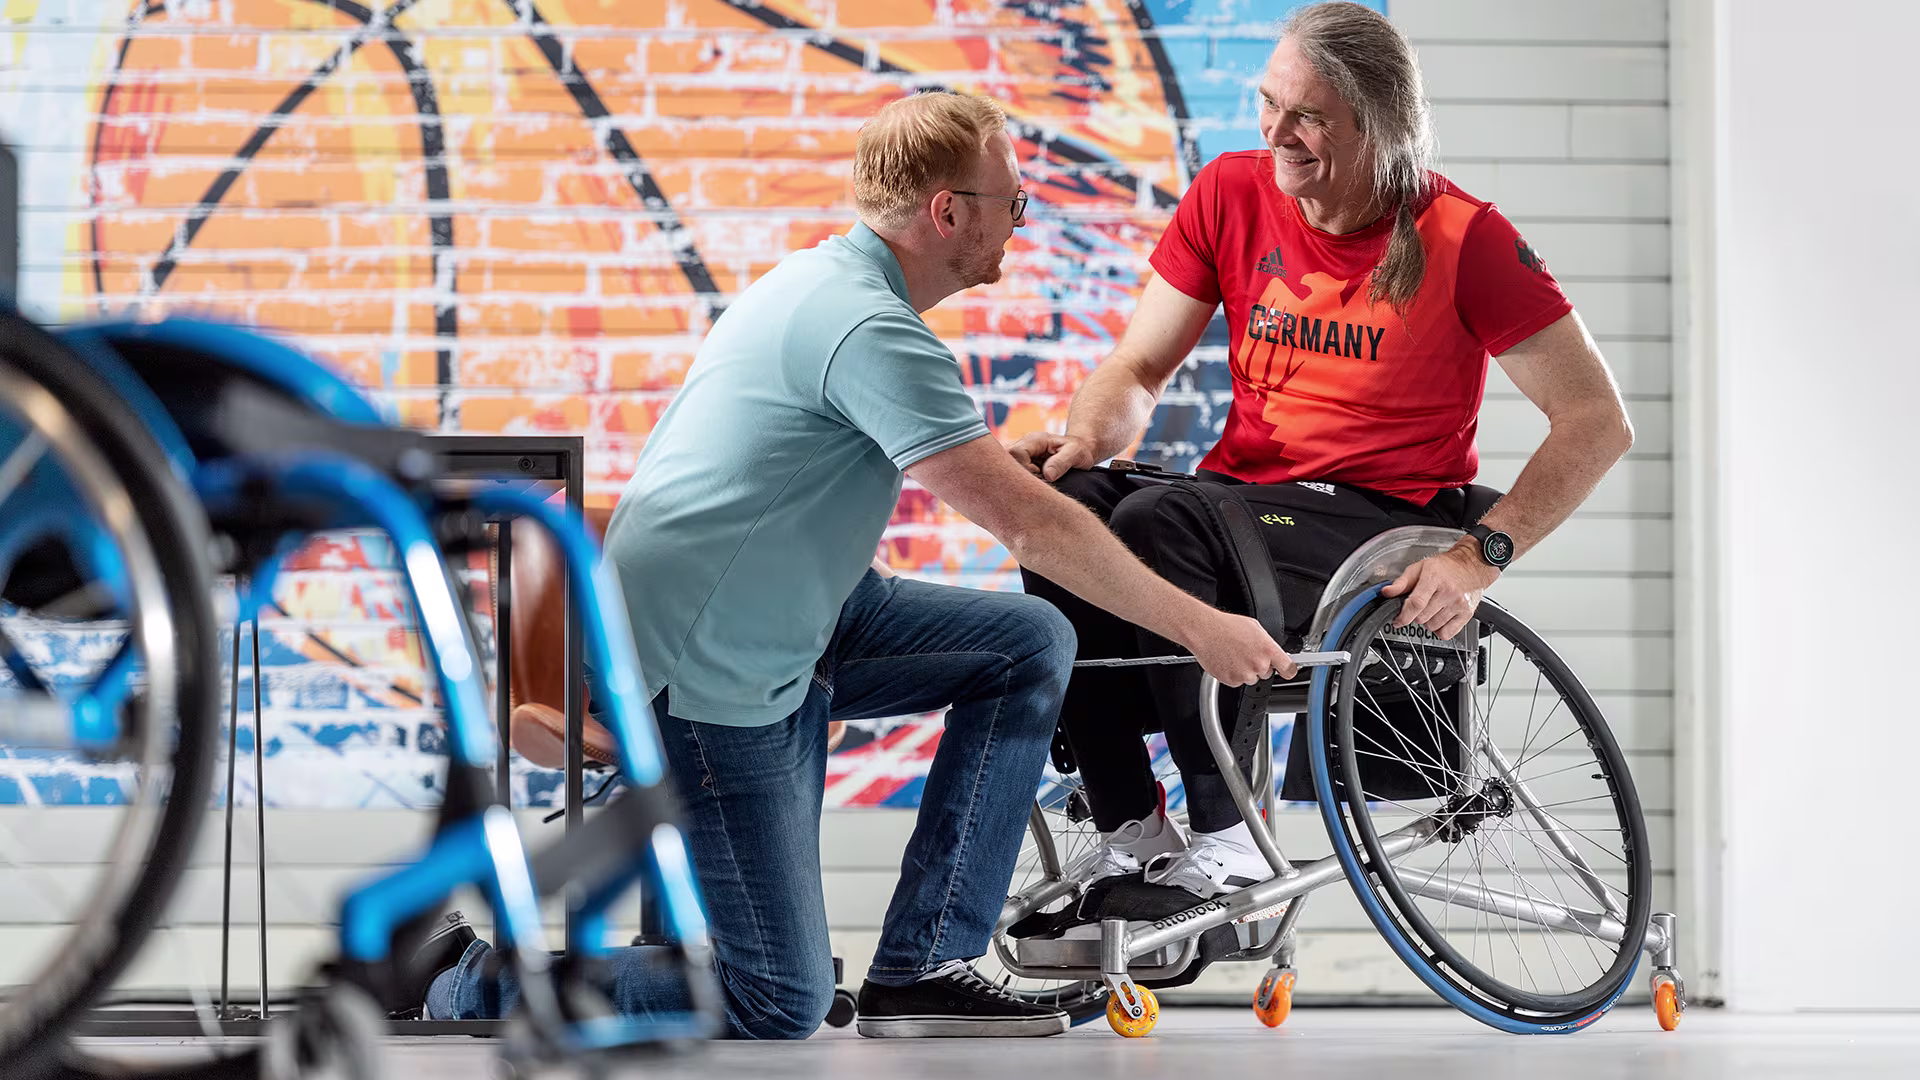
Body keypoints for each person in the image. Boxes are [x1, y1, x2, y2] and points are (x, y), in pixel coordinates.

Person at [413, 89, 1291, 1039]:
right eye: (1012, 201)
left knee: (1029, 642)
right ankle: (467, 975)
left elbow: (939, 468)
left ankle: (923, 965)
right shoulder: (869, 329)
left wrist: (1002, 464)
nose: (1021, 219)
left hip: (799, 615)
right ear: (947, 213)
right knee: (775, 998)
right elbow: (1034, 534)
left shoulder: (832, 285)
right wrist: (1200, 628)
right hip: (708, 668)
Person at [1010, 1, 1634, 904]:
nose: (1276, 132)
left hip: (1378, 520)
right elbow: (1138, 365)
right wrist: (1085, 438)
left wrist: (1480, 555)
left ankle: (1228, 840)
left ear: (1375, 126)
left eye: (1306, 115)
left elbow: (1595, 420)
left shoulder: (1465, 237)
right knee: (1059, 515)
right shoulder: (1230, 191)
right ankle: (1131, 827)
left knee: (1156, 519)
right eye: (1269, 102)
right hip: (1246, 507)